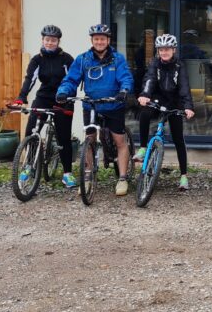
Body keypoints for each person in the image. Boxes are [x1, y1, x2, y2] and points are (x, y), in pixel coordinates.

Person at [56, 24, 134, 196]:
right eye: (96, 39)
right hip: (91, 105)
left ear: (108, 40)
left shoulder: (118, 59)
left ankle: (122, 178)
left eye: (103, 39)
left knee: (119, 141)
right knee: (90, 140)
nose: (99, 42)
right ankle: (87, 177)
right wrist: (63, 92)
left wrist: (124, 91)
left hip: (114, 105)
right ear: (92, 40)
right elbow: (71, 79)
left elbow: (126, 77)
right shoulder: (83, 59)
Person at [13, 25, 76, 187]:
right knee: (31, 132)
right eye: (47, 40)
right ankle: (29, 167)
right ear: (42, 40)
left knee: (63, 137)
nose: (50, 43)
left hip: (63, 100)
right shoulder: (37, 59)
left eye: (53, 40)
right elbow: (30, 79)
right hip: (44, 98)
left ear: (58, 41)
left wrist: (69, 97)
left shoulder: (66, 59)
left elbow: (73, 80)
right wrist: (22, 97)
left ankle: (67, 173)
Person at [134, 34, 196, 191]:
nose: (164, 52)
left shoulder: (179, 66)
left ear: (173, 50)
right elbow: (149, 80)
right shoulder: (154, 63)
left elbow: (184, 87)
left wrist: (188, 106)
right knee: (145, 113)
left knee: (178, 139)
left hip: (174, 103)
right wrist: (145, 95)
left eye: (167, 49)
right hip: (158, 99)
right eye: (161, 50)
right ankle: (142, 147)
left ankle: (183, 176)